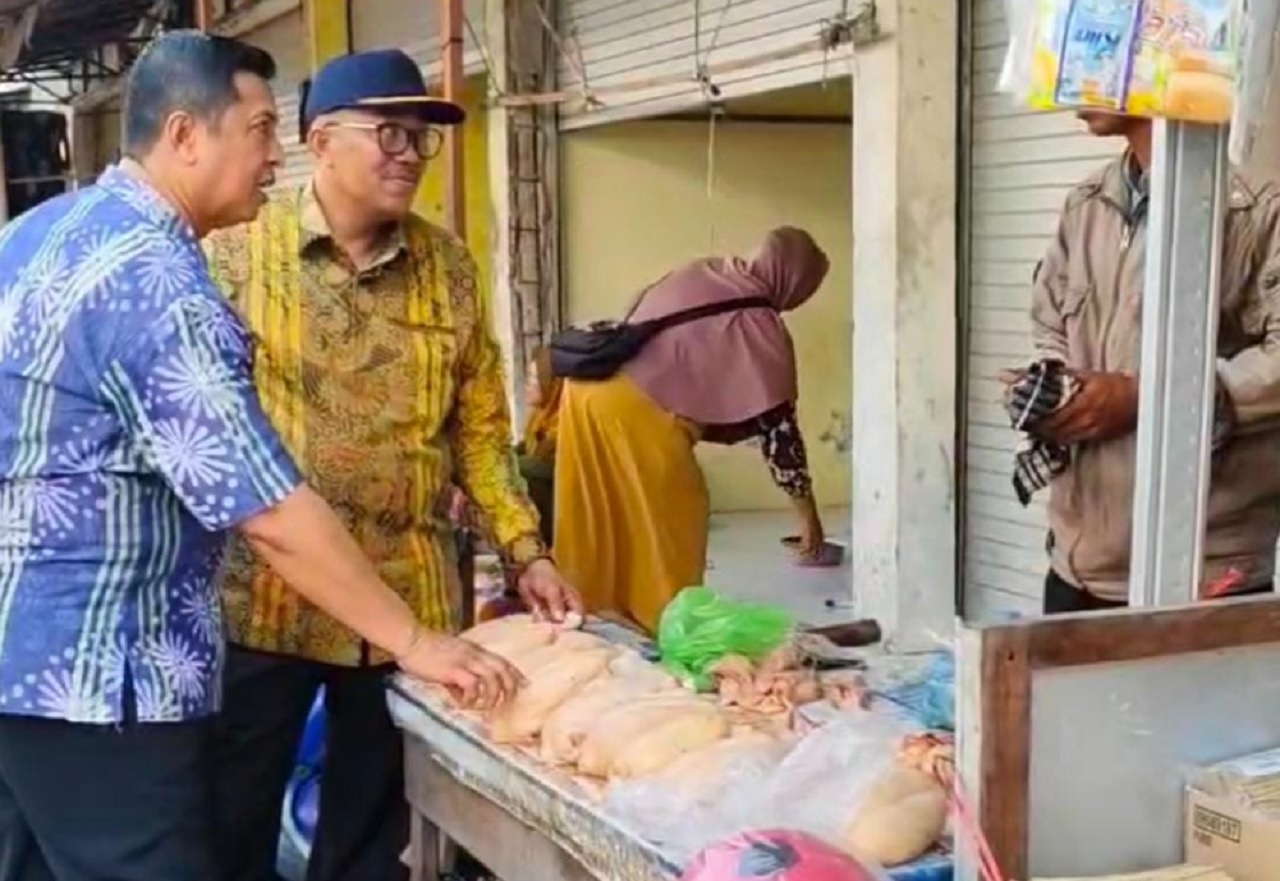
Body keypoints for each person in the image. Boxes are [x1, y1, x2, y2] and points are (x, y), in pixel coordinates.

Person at [0, 32, 520, 881]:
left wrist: (516, 544)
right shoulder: (169, 277)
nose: (270, 154)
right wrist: (419, 639)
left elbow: (481, 423)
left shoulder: (35, 235)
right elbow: (265, 510)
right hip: (110, 668)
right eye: (259, 128)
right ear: (185, 135)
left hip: (24, 659)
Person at [203, 48, 580, 881]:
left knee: (372, 840)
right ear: (320, 139)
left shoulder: (445, 269)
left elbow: (479, 430)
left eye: (421, 139)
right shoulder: (234, 254)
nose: (409, 155)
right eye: (390, 134)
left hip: (409, 610)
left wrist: (529, 550)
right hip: (266, 601)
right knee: (229, 827)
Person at [1004, 110, 1280, 615]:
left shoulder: (1257, 206)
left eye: (1099, 41)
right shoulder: (1088, 201)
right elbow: (1050, 324)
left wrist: (1144, 398)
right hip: (1076, 565)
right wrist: (1052, 393)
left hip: (1206, 577)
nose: (1074, 77)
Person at [553, 228, 830, 633]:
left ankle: (590, 619)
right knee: (672, 519)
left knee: (595, 514)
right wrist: (809, 520)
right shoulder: (760, 322)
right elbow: (780, 436)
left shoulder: (705, 273)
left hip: (584, 390)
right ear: (795, 281)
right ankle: (667, 626)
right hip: (634, 406)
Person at [517, 345, 563, 545]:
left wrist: (508, 463)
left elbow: (547, 468)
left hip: (557, 525)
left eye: (532, 379)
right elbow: (523, 449)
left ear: (549, 384)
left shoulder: (564, 424)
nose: (526, 385)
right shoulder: (538, 418)